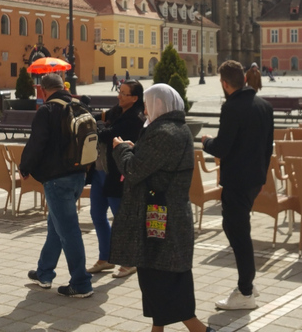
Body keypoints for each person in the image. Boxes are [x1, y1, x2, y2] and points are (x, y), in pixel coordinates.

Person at [111, 84, 214, 332]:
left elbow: (134, 170)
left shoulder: (164, 132)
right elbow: (153, 162)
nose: (144, 109)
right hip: (167, 215)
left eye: (147, 103)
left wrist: (121, 148)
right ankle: (160, 329)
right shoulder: (175, 129)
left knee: (160, 277)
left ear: (158, 104)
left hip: (160, 217)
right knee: (159, 273)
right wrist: (137, 150)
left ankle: (199, 329)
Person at [202, 61, 273, 310]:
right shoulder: (264, 105)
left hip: (237, 180)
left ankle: (245, 292)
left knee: (239, 233)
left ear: (224, 83)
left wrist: (206, 142)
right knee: (232, 226)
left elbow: (222, 147)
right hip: (253, 180)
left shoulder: (231, 107)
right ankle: (248, 282)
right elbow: (268, 148)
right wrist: (262, 178)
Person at [20, 73, 93, 298]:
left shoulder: (47, 111)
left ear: (43, 90)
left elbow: (37, 142)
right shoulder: (79, 106)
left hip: (56, 178)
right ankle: (44, 272)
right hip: (79, 175)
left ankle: (81, 283)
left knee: (68, 230)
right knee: (56, 225)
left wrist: (25, 166)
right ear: (64, 87)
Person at [88, 80, 145, 278]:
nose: (119, 96)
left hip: (116, 174)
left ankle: (129, 261)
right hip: (99, 171)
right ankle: (106, 258)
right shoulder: (118, 111)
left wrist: (95, 127)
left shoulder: (135, 118)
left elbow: (107, 136)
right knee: (97, 214)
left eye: (124, 93)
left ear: (135, 98)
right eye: (119, 92)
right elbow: (100, 118)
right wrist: (91, 118)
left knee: (121, 218)